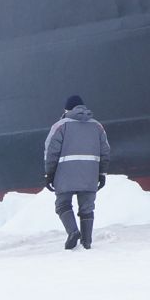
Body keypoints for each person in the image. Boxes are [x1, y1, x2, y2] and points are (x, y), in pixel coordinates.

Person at [44, 95, 110, 251]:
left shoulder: (60, 126)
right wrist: (102, 173)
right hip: (89, 175)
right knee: (87, 208)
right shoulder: (97, 126)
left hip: (65, 175)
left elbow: (51, 152)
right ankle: (87, 242)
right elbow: (105, 152)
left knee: (62, 205)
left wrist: (49, 174)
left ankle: (73, 232)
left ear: (67, 109)